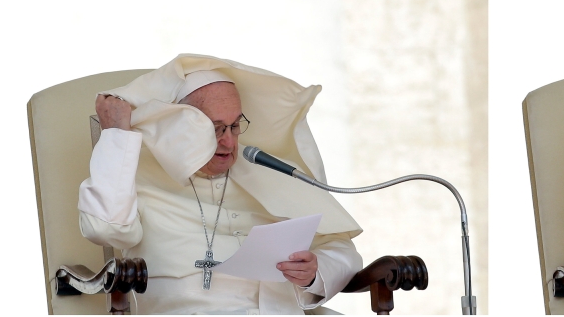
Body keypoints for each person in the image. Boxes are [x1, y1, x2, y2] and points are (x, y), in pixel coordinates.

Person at [79, 55, 363, 314]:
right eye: (215, 129)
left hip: (281, 309)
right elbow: (105, 228)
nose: (228, 142)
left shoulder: (265, 170)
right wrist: (117, 135)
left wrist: (315, 271)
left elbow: (342, 250)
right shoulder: (132, 171)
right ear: (178, 125)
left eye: (235, 126)